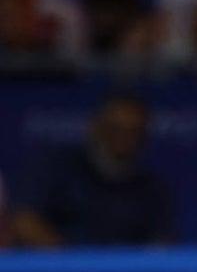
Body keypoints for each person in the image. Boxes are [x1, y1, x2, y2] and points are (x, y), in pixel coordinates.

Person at [9, 92, 176, 248]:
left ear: (144, 136)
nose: (123, 138)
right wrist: (71, 265)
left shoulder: (153, 189)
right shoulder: (56, 167)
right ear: (94, 127)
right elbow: (24, 220)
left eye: (133, 131)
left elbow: (162, 246)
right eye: (115, 128)